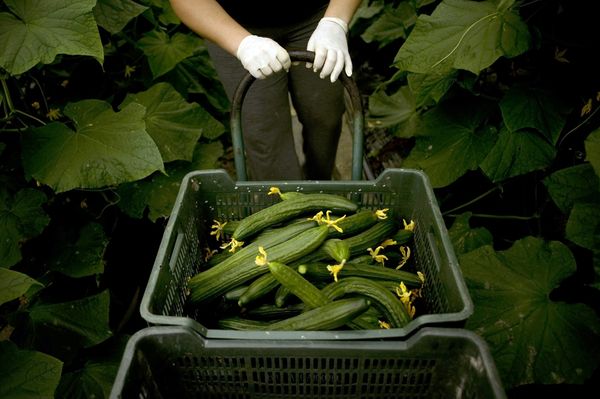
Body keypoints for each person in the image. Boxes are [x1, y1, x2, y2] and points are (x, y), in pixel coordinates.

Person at [170, 0, 362, 180]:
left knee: (325, 113)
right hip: (231, 23)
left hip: (317, 17)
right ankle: (285, 205)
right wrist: (243, 44)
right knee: (264, 134)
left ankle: (321, 183)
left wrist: (336, 21)